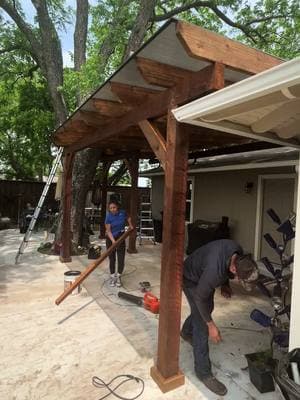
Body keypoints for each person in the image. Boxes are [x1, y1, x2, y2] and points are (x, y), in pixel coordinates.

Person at [181, 239, 259, 396]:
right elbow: (199, 298)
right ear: (234, 269)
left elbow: (227, 268)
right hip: (190, 278)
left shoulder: (237, 251)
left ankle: (186, 332)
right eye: (240, 280)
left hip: (203, 273)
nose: (238, 281)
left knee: (206, 309)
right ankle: (203, 373)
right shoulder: (214, 272)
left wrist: (226, 285)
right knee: (202, 323)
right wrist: (211, 325)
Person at [105, 201, 133, 287]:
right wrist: (114, 241)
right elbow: (108, 231)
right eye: (111, 208)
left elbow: (128, 217)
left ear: (117, 207)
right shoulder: (108, 216)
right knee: (112, 258)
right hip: (110, 238)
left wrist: (130, 225)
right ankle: (113, 276)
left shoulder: (122, 213)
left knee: (121, 258)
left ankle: (119, 276)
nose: (112, 209)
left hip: (121, 237)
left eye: (114, 207)